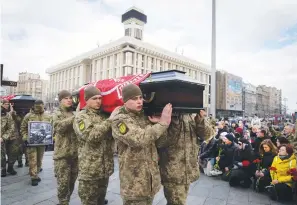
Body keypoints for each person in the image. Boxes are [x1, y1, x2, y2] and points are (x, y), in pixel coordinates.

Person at [110, 83, 172, 205]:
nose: (139, 101)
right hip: (134, 184)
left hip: (149, 181)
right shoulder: (119, 120)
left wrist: (157, 124)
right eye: (134, 99)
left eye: (140, 98)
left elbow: (161, 143)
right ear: (125, 101)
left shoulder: (144, 116)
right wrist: (163, 123)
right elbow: (139, 139)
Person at [157, 109, 215, 205]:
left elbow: (208, 135)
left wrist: (201, 120)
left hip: (188, 170)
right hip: (172, 171)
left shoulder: (191, 115)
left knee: (179, 201)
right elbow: (160, 142)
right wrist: (171, 122)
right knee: (177, 202)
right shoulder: (167, 114)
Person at [73, 86, 114, 205]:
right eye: (94, 98)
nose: (98, 101)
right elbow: (91, 136)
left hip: (104, 169)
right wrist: (110, 121)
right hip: (90, 171)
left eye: (100, 98)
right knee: (89, 201)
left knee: (101, 200)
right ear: (86, 100)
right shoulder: (81, 116)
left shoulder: (104, 115)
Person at [52, 90, 78, 205]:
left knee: (72, 182)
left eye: (70, 98)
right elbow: (59, 127)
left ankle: (65, 201)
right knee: (63, 183)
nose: (69, 100)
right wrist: (75, 117)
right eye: (66, 98)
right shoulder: (57, 113)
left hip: (75, 154)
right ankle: (63, 202)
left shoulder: (73, 113)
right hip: (62, 155)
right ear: (60, 100)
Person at [21, 100, 52, 186]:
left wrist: (50, 137)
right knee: (32, 159)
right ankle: (33, 177)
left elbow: (51, 127)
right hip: (31, 142)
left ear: (43, 106)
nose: (38, 108)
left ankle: (37, 171)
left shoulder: (48, 115)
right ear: (34, 106)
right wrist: (25, 137)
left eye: (40, 106)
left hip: (42, 142)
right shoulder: (28, 116)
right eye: (37, 107)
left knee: (39, 159)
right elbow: (23, 128)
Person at [1, 100, 16, 177]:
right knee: (2, 156)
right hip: (1, 139)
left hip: (9, 138)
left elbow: (11, 127)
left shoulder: (8, 114)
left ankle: (10, 168)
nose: (7, 106)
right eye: (5, 104)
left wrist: (4, 137)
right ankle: (3, 169)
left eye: (8, 104)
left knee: (11, 153)